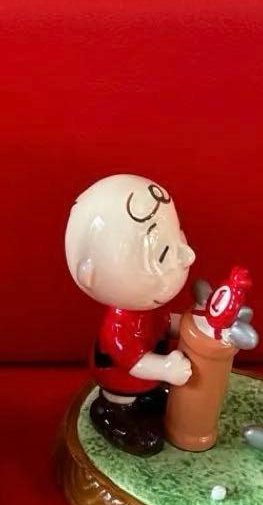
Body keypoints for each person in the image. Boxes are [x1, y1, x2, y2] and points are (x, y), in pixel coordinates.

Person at [65, 175, 197, 455]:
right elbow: (135, 362)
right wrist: (166, 369)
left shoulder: (151, 309)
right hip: (123, 387)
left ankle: (147, 399)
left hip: (149, 385)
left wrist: (191, 324)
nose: (188, 256)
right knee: (138, 424)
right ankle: (111, 412)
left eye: (179, 234)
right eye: (162, 253)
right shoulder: (118, 327)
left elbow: (166, 324)